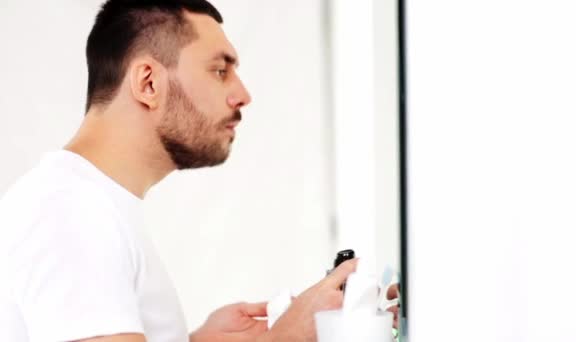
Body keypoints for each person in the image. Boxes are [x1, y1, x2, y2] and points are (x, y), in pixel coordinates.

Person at [0, 0, 358, 341]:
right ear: (148, 83)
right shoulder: (71, 211)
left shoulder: (85, 203)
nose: (243, 94)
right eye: (220, 70)